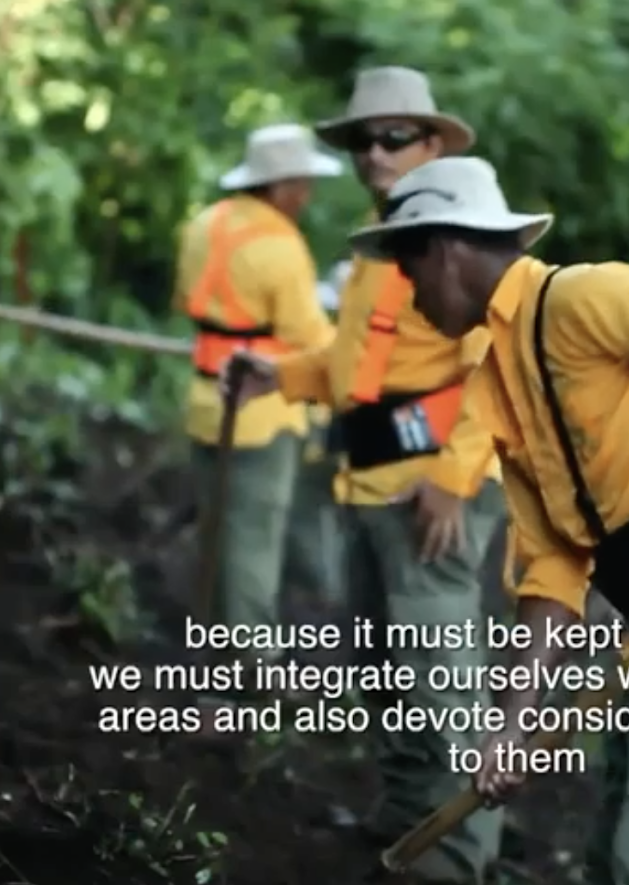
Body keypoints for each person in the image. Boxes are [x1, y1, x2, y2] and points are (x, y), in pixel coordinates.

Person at [346, 156, 629, 885]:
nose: (407, 297)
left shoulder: (582, 298)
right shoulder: (499, 384)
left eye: (407, 271)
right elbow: (556, 568)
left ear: (442, 250)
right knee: (616, 859)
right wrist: (512, 722)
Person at [223, 67, 505, 884]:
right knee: (382, 662)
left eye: (393, 137)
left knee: (441, 676)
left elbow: (497, 367)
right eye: (361, 141)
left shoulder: (459, 233)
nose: (374, 154)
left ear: (432, 142)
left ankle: (456, 852)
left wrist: (454, 476)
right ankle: (409, 812)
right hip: (368, 481)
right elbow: (356, 365)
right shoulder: (381, 240)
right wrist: (282, 375)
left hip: (432, 495)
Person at [175, 123, 340, 662]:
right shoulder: (280, 245)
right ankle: (253, 667)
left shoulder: (204, 224)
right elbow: (310, 335)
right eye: (303, 184)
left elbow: (189, 300)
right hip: (261, 412)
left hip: (206, 402)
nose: (307, 196)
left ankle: (216, 651)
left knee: (219, 533)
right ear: (283, 186)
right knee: (254, 543)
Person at [280, 263, 348, 610]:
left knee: (311, 503)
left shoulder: (344, 343)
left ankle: (324, 586)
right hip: (346, 448)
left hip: (344, 451)